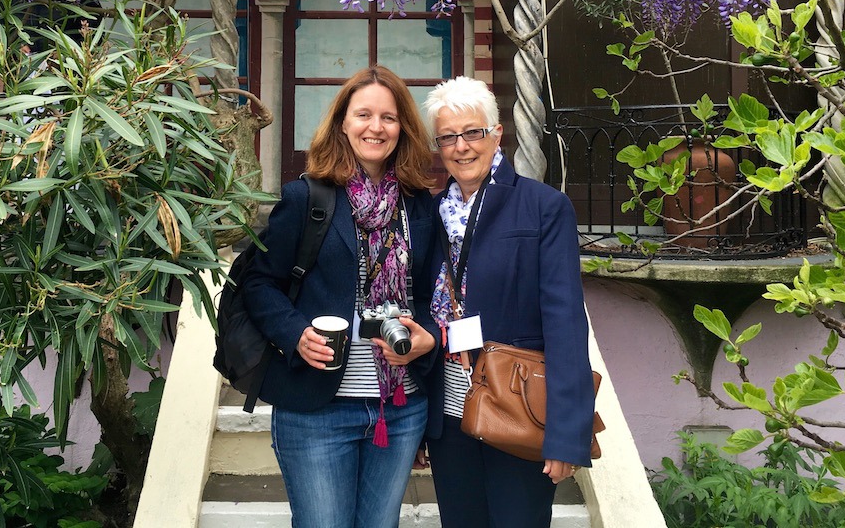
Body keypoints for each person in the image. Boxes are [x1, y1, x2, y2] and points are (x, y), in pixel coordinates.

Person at [242, 65, 440, 528]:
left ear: (403, 128)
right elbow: (258, 282)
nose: (376, 127)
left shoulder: (419, 206)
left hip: (401, 407)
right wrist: (295, 334)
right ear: (342, 123)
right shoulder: (306, 198)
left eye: (388, 117)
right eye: (364, 114)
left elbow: (431, 295)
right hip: (318, 409)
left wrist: (428, 336)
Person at [420, 76, 593, 528]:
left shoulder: (543, 208)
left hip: (518, 406)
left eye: (472, 132)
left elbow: (566, 322)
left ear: (497, 133)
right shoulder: (429, 213)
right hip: (450, 410)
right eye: (448, 138)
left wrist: (566, 435)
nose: (461, 147)